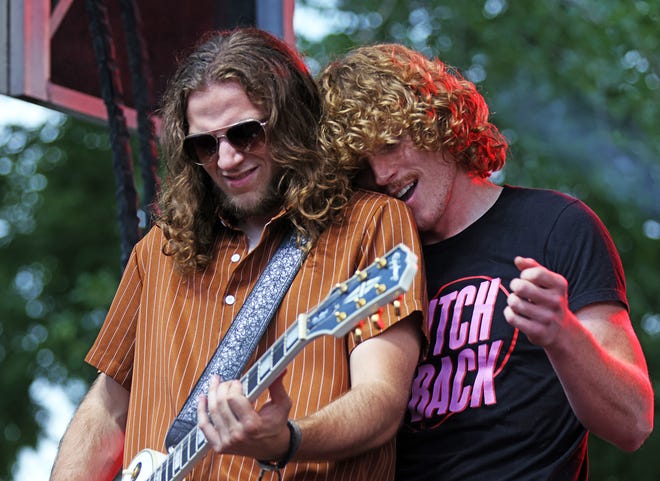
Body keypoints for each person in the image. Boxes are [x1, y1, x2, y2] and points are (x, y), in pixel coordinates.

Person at [49, 29, 426, 481]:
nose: (226, 159)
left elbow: (382, 399)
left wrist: (288, 441)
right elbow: (108, 407)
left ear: (292, 120)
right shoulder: (160, 249)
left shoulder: (369, 223)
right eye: (204, 145)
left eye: (246, 134)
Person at [317, 43, 654, 480]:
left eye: (389, 143)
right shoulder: (366, 267)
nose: (381, 176)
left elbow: (633, 423)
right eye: (361, 168)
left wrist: (562, 335)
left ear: (435, 121)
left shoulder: (556, 225)